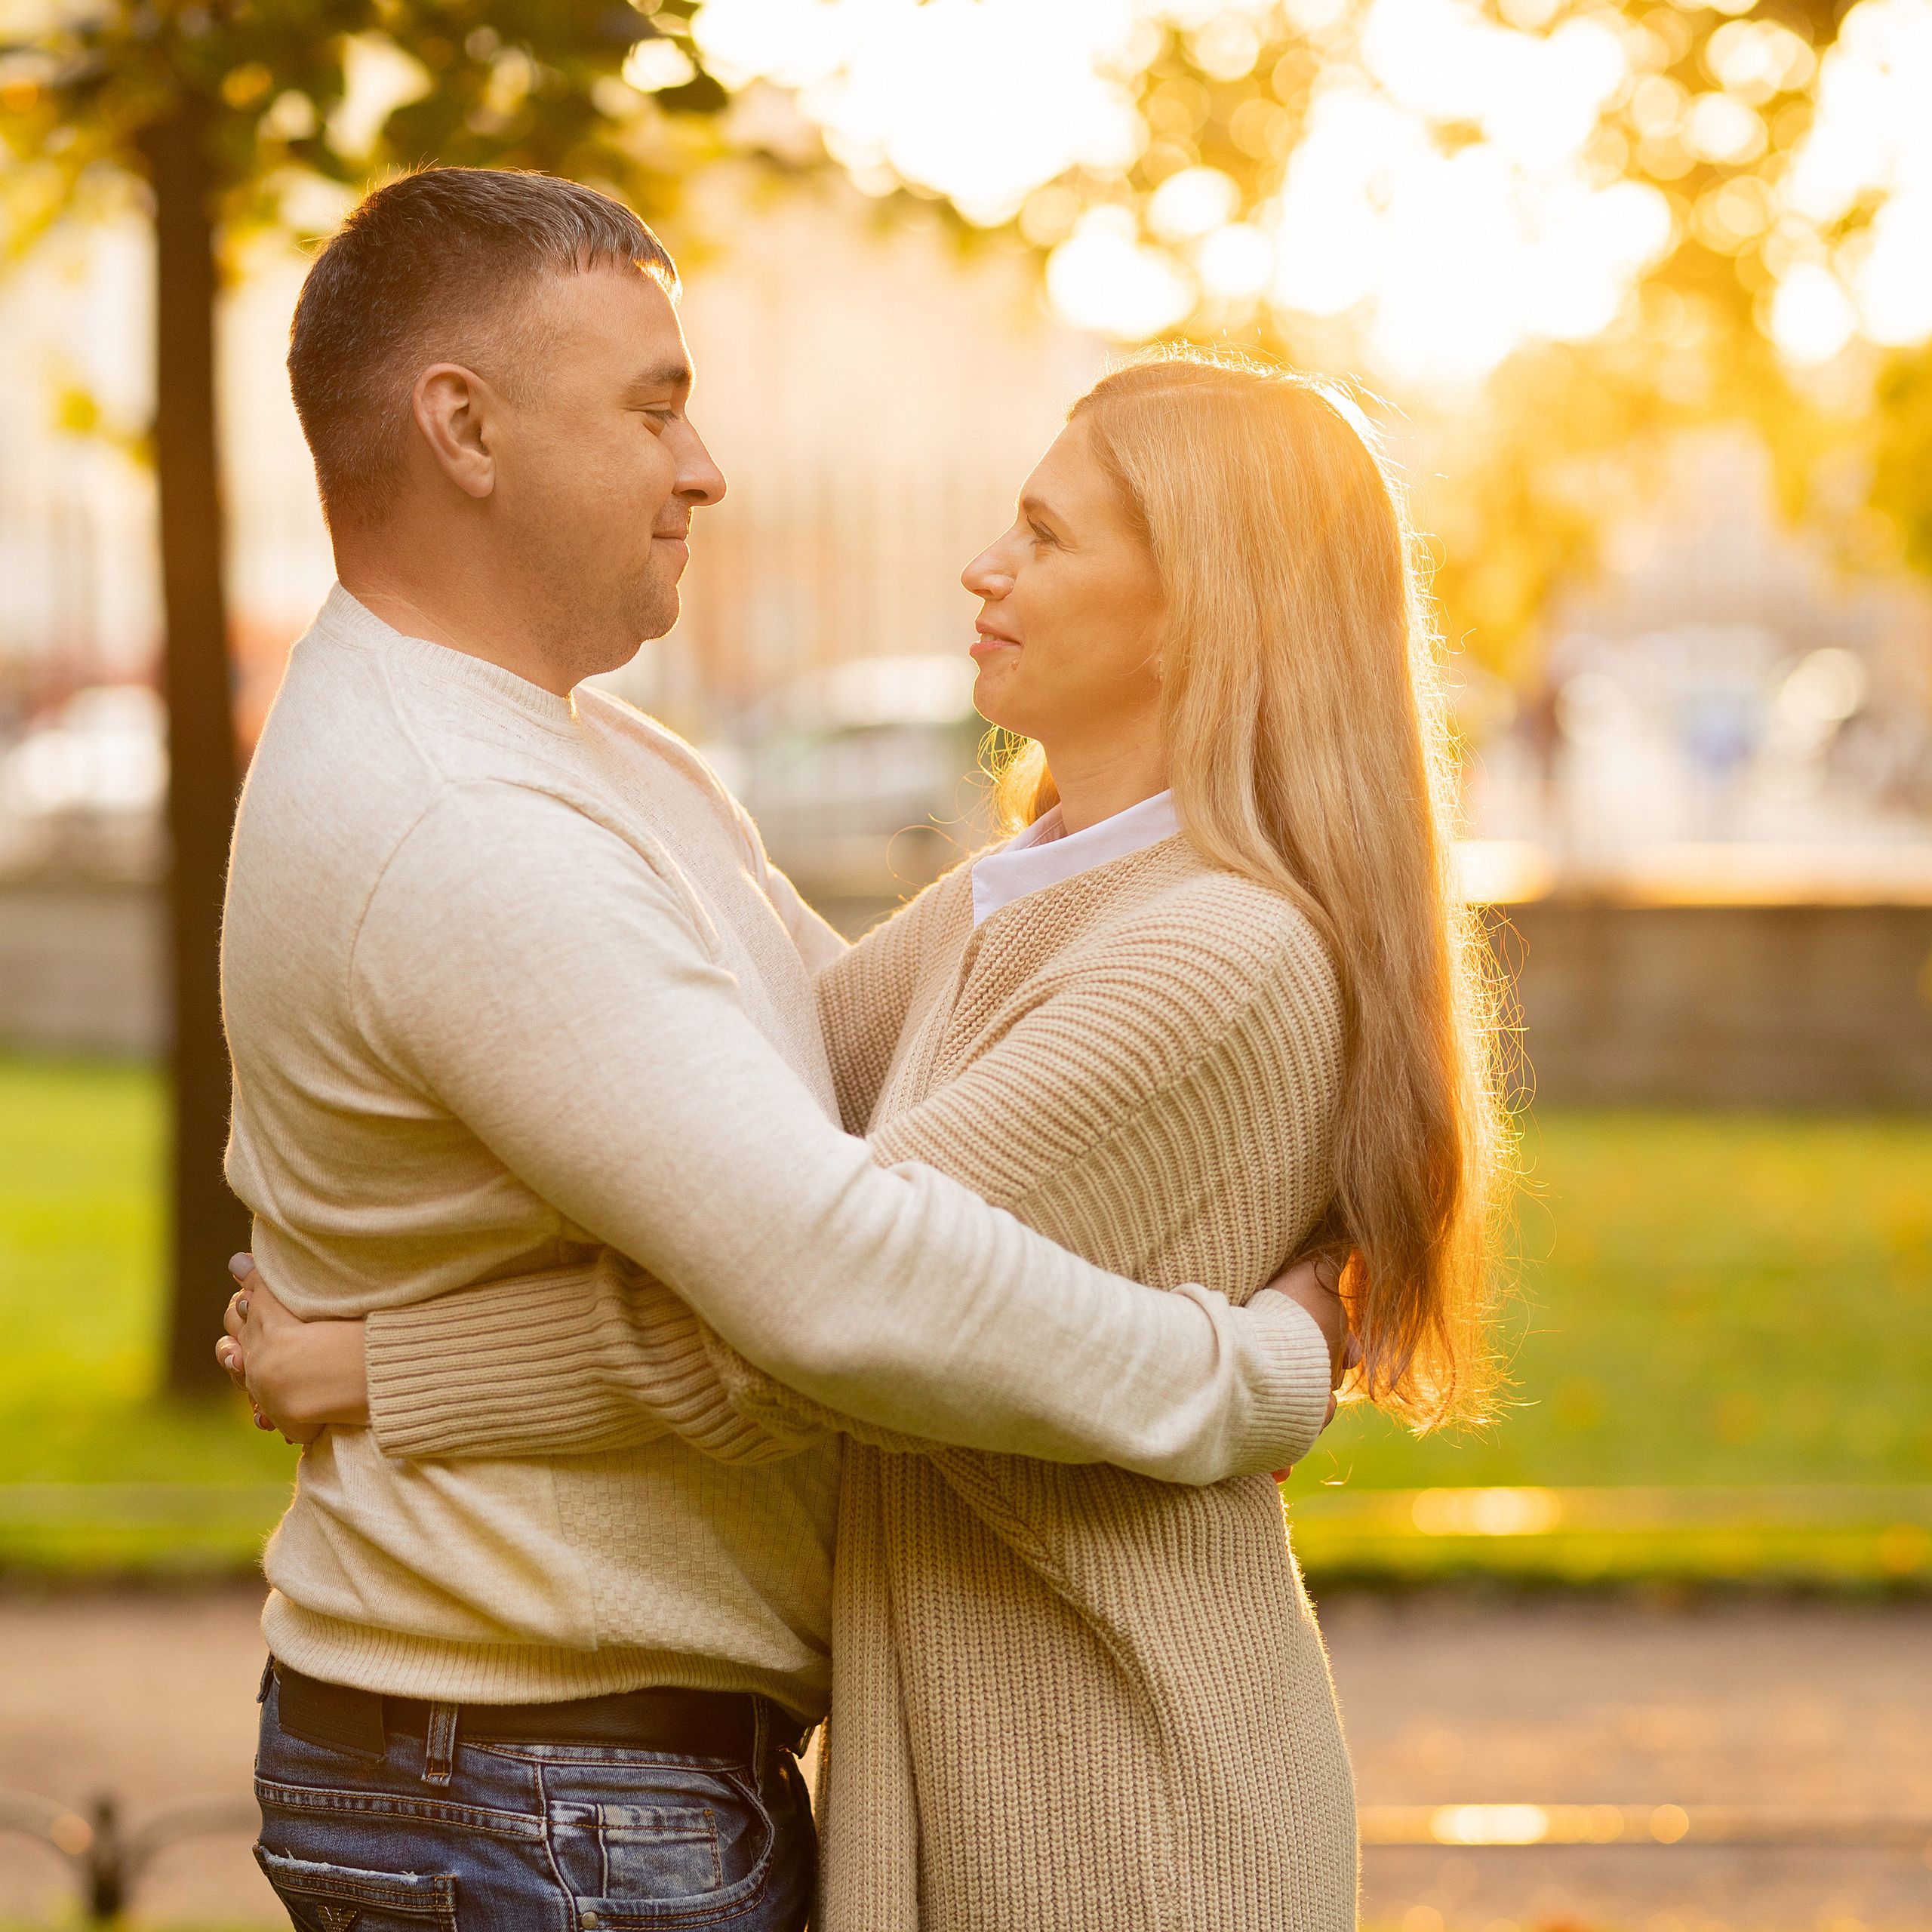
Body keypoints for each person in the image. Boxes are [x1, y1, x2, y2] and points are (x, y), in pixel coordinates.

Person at [229, 342, 1504, 1928]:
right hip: (975, 1779)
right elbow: (781, 1181)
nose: (985, 564)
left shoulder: (1209, 955)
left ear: (1203, 605)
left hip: (1115, 1809)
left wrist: (385, 1366)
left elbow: (808, 1321)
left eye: (1045, 536)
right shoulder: (1024, 896)